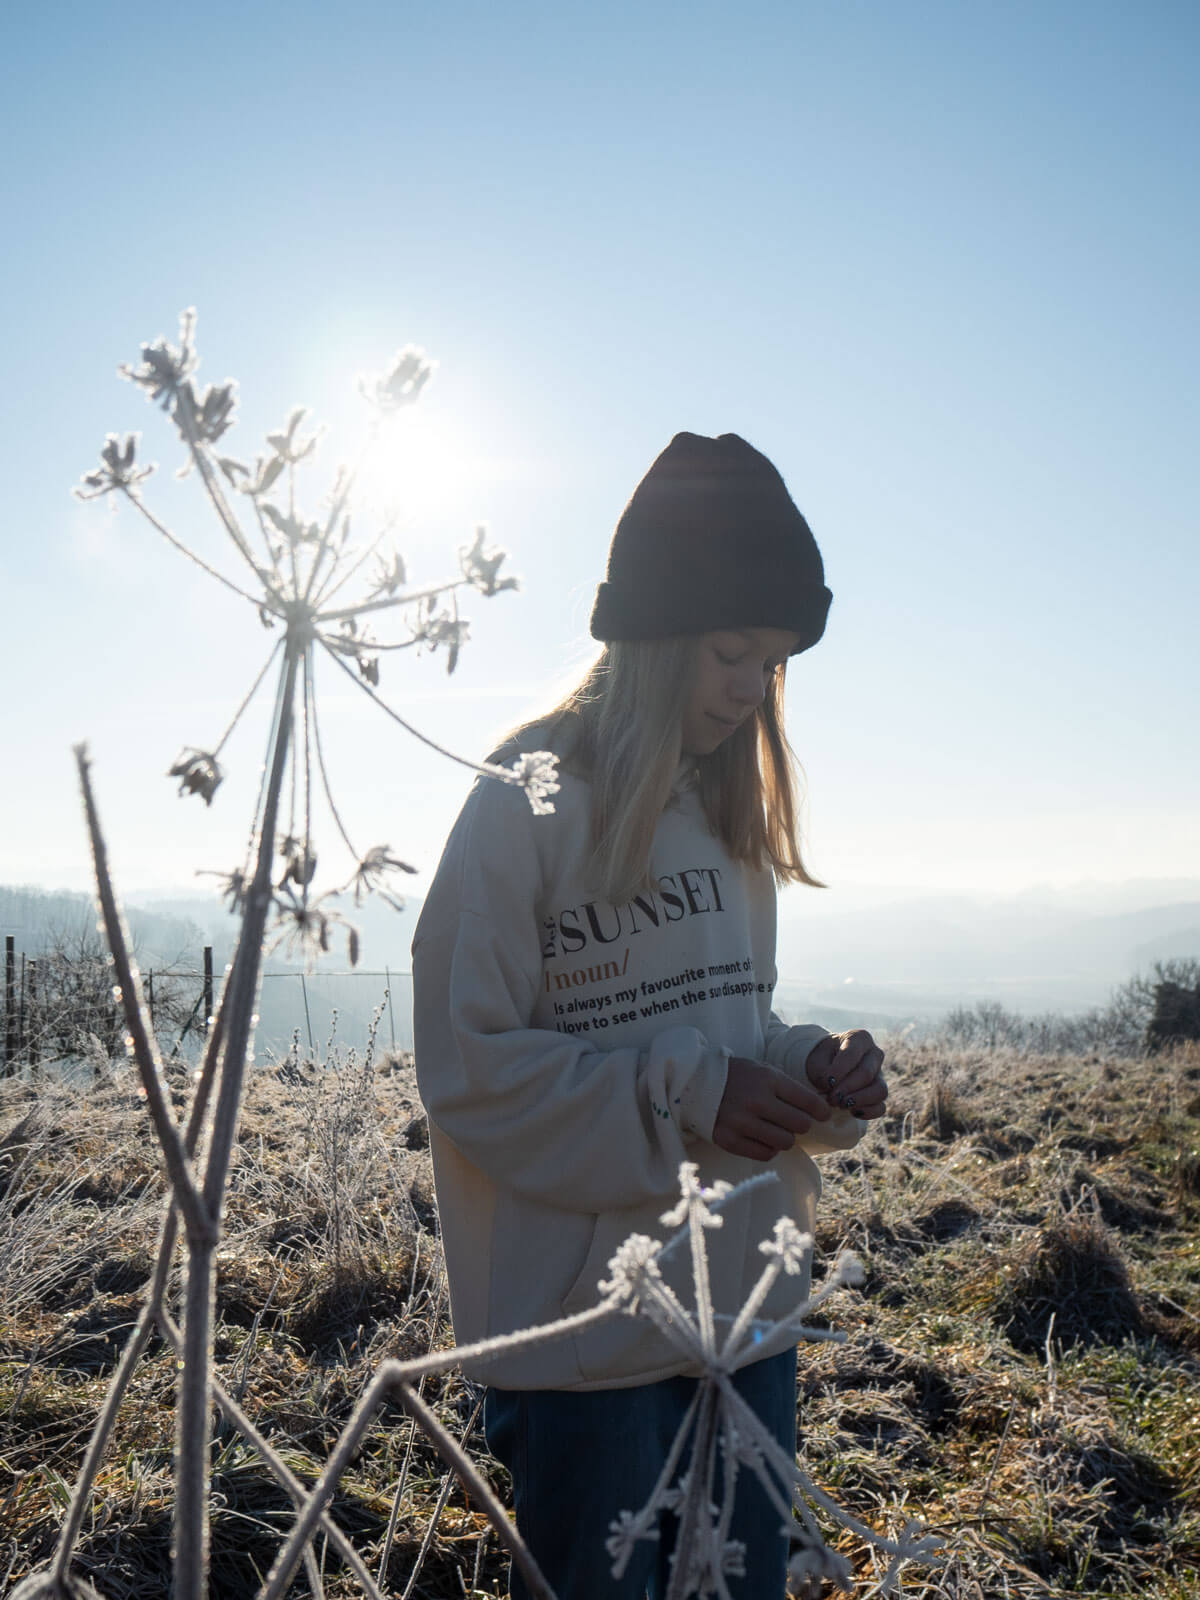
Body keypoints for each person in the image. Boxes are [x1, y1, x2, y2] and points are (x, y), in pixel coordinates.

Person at [411, 432, 888, 1599]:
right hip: (587, 1343)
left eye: (771, 663)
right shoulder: (520, 802)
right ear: (654, 634)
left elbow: (729, 1024)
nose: (748, 686)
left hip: (747, 1321)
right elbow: (470, 1070)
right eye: (731, 651)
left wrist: (803, 1068)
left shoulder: (731, 819)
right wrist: (684, 1090)